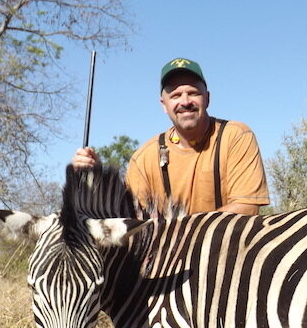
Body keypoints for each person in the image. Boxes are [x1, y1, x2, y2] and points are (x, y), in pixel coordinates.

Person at [72, 58, 270, 215]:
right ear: (163, 104)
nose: (185, 101)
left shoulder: (236, 137)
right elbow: (129, 218)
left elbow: (246, 209)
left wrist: (181, 234)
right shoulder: (144, 158)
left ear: (207, 98)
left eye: (193, 93)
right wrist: (99, 180)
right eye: (175, 95)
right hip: (169, 263)